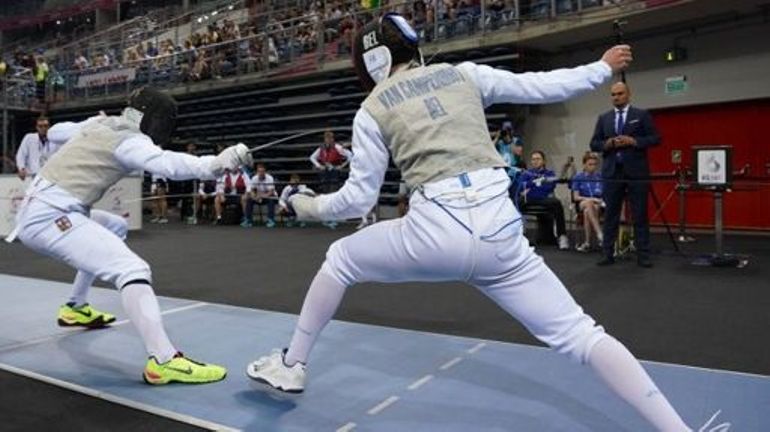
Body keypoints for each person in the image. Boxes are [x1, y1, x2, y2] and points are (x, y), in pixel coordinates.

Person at [247, 14, 690, 432]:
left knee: (341, 258)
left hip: (434, 232)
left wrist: (305, 205)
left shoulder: (371, 109)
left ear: (373, 63)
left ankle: (291, 366)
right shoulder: (465, 74)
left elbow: (357, 200)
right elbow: (540, 86)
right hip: (501, 234)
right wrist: (601, 68)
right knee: (581, 334)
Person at [15, 87, 252, 384]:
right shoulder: (130, 140)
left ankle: (75, 307)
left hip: (43, 208)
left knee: (115, 226)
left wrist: (88, 124)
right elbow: (167, 163)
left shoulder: (101, 123)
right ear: (154, 119)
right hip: (52, 217)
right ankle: (164, 360)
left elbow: (57, 132)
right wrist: (216, 164)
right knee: (132, 269)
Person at [590, 82, 660, 268]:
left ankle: (643, 255)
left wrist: (634, 141)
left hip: (636, 173)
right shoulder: (604, 118)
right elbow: (594, 143)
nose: (616, 97)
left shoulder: (641, 115)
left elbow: (655, 138)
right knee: (611, 214)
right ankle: (607, 254)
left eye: (620, 94)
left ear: (628, 94)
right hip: (612, 173)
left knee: (640, 215)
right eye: (613, 94)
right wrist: (608, 144)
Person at [519, 150, 570, 250]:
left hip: (543, 199)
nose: (535, 161)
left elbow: (549, 187)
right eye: (533, 159)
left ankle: (562, 236)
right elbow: (521, 187)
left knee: (557, 203)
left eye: (538, 159)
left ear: (544, 161)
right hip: (529, 199)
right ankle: (519, 237)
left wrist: (531, 187)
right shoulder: (526, 173)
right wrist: (537, 184)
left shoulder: (549, 173)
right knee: (516, 202)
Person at [571, 152, 604, 252]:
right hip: (582, 202)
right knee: (588, 204)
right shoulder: (578, 177)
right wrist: (591, 199)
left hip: (598, 204)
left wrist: (596, 200)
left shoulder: (600, 177)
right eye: (590, 164)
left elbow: (604, 195)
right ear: (584, 164)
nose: (592, 167)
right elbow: (576, 197)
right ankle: (600, 234)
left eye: (594, 164)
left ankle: (587, 243)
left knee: (587, 211)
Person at [15, 117, 59, 181]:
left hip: (51, 175)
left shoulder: (56, 139)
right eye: (40, 126)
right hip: (34, 175)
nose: (43, 128)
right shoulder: (29, 138)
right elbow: (21, 154)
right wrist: (21, 168)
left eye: (45, 126)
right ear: (37, 127)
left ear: (49, 127)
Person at [243, 164, 277, 228]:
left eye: (262, 171)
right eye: (259, 171)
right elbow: (252, 190)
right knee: (249, 199)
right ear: (257, 172)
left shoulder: (270, 178)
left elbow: (271, 192)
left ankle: (271, 220)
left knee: (271, 200)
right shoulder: (254, 178)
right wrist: (253, 196)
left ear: (265, 172)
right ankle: (248, 220)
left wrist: (262, 196)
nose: (261, 173)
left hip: (268, 196)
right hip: (258, 196)